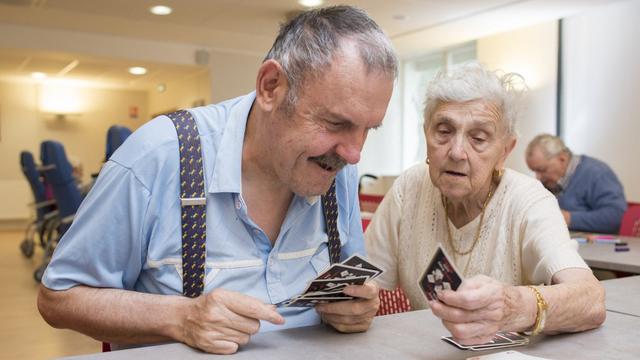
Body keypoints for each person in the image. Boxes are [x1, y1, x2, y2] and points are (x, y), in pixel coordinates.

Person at [37, 6, 398, 355]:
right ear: (271, 86)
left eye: (369, 129)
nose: (354, 154)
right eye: (336, 123)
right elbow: (59, 297)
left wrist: (357, 308)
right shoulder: (158, 156)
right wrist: (181, 316)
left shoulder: (336, 167)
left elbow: (352, 286)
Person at [365, 63, 605, 346]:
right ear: (426, 134)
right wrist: (356, 306)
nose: (456, 152)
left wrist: (515, 306)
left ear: (505, 151)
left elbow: (591, 300)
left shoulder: (529, 200)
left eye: (478, 138)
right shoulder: (409, 187)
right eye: (443, 131)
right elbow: (369, 283)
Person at [525, 134, 626, 234]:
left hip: (595, 246)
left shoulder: (597, 173)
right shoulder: (549, 182)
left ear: (562, 158)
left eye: (542, 170)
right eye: (534, 171)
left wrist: (569, 218)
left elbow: (615, 217)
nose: (538, 177)